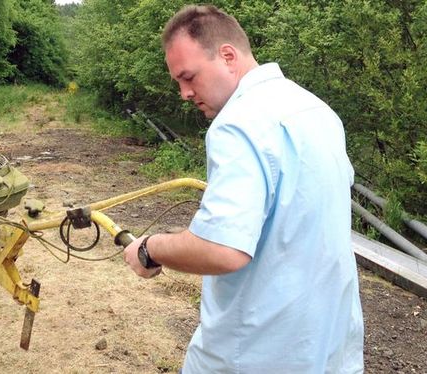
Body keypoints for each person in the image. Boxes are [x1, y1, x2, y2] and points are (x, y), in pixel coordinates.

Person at [123, 5, 364, 373]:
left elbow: (222, 249)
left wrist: (150, 249)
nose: (184, 93)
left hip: (257, 352)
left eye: (188, 77)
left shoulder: (237, 124)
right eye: (178, 82)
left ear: (228, 56)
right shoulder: (316, 110)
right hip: (328, 347)